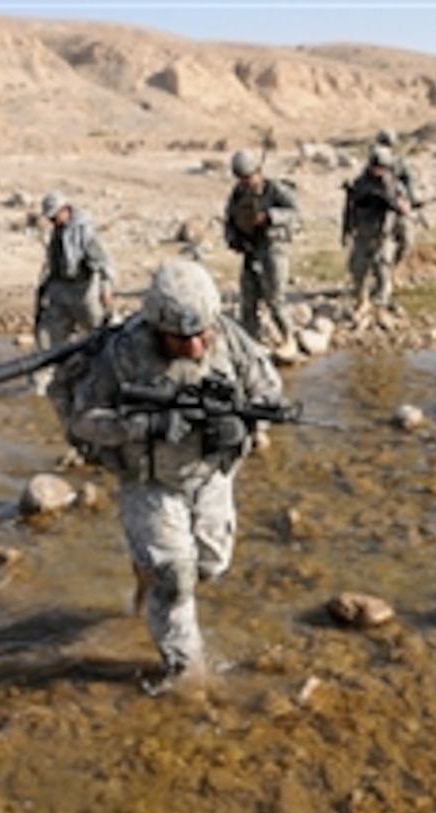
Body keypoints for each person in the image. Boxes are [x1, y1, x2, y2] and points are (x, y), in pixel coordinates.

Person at [67, 259, 284, 695]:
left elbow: (270, 394)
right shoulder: (124, 353)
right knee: (176, 576)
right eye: (182, 338)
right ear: (158, 326)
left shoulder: (229, 339)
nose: (196, 344)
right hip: (149, 482)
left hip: (210, 474)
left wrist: (244, 427)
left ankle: (146, 574)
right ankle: (186, 671)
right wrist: (141, 427)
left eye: (203, 333)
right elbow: (84, 420)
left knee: (212, 565)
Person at [33, 190, 115, 396]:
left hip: (84, 290)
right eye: (49, 217)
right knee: (47, 336)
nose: (52, 220)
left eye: (54, 215)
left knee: (100, 335)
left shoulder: (85, 231)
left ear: (65, 209)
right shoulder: (56, 230)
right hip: (59, 290)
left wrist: (105, 289)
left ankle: (109, 377)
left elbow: (104, 263)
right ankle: (42, 385)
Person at [224, 149, 299, 363]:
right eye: (240, 178)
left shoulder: (275, 189)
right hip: (250, 249)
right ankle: (250, 340)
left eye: (248, 177)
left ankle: (288, 337)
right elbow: (229, 219)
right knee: (248, 299)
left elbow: (295, 213)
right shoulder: (238, 194)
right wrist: (233, 239)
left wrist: (269, 217)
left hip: (274, 248)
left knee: (275, 298)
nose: (245, 182)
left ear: (258, 171)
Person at [341, 145, 409, 313]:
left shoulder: (394, 186)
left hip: (384, 235)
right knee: (357, 268)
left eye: (382, 168)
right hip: (363, 233)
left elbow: (403, 212)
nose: (378, 171)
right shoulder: (360, 184)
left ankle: (381, 302)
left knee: (383, 268)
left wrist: (398, 206)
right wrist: (346, 231)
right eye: (375, 167)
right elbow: (350, 209)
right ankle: (361, 299)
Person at [375, 128, 420, 264]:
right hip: (383, 206)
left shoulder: (396, 161)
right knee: (403, 238)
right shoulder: (379, 159)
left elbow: (407, 180)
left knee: (405, 239)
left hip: (393, 204)